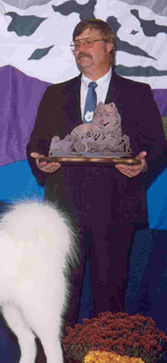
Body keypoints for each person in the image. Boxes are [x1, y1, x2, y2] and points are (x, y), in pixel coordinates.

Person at [27, 18, 167, 328]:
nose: (81, 49)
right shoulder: (54, 94)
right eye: (77, 44)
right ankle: (56, 357)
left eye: (89, 42)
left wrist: (144, 165)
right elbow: (36, 145)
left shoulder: (137, 93)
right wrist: (40, 163)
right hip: (64, 212)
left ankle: (106, 359)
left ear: (109, 47)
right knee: (60, 298)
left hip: (116, 210)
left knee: (110, 300)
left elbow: (158, 146)